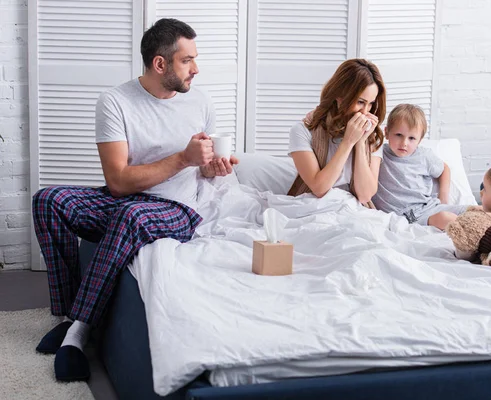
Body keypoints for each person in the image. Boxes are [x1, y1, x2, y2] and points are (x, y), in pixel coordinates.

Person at [31, 18, 237, 382]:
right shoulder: (115, 102)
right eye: (187, 60)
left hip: (178, 209)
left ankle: (78, 331)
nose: (196, 69)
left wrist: (212, 167)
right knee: (48, 200)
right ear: (160, 64)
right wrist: (183, 158)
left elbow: (200, 171)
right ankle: (66, 315)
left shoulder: (200, 102)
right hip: (126, 199)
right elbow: (117, 182)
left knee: (133, 216)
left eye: (195, 59)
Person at [287, 58, 386, 206]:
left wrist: (360, 141)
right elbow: (319, 188)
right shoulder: (302, 131)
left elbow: (365, 195)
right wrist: (348, 142)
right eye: (360, 102)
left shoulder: (372, 136)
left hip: (354, 210)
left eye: (370, 104)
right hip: (311, 207)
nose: (365, 112)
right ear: (339, 97)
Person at [372, 104, 468, 230]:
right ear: (387, 133)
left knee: (476, 211)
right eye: (398, 135)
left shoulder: (424, 155)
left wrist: (443, 197)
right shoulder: (378, 155)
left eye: (412, 138)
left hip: (430, 206)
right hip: (410, 218)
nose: (404, 143)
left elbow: (444, 169)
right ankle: (477, 238)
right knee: (446, 219)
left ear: (419, 140)